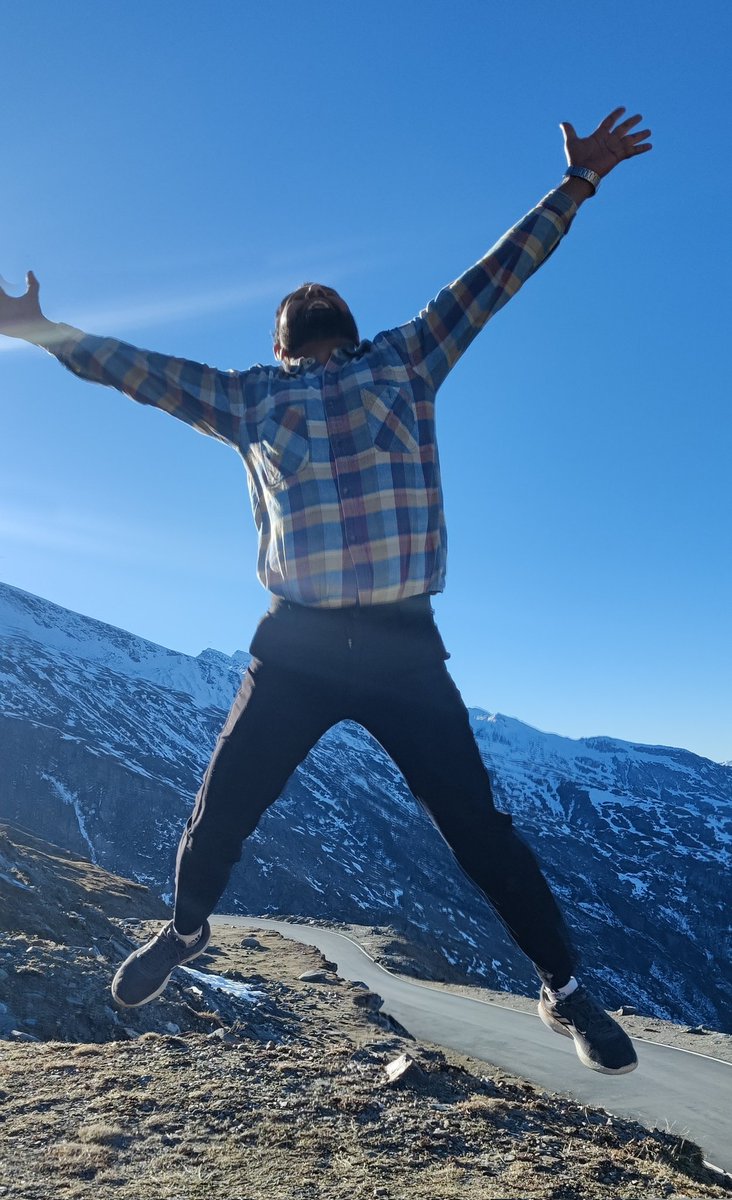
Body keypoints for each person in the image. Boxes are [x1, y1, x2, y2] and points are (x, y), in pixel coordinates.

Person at [1, 108, 651, 1074]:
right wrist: (579, 183)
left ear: (284, 340)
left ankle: (184, 932)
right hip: (396, 644)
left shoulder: (252, 396)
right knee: (475, 827)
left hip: (299, 643)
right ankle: (565, 988)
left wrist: (43, 330)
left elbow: (136, 374)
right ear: (344, 331)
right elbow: (501, 274)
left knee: (225, 803)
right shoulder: (408, 358)